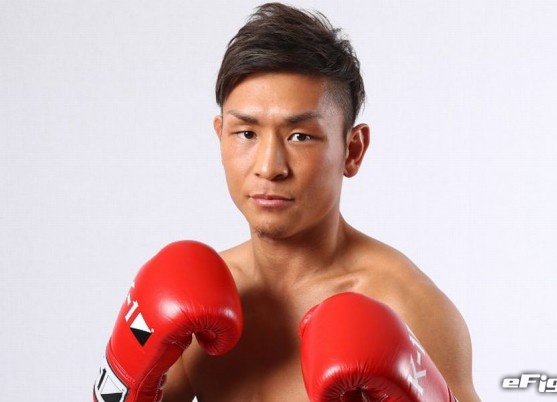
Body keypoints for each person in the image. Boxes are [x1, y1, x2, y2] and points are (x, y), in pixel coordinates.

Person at [94, 3, 480, 402]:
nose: (269, 167)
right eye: (246, 133)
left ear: (353, 150)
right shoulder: (185, 301)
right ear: (220, 136)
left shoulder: (406, 309)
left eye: (300, 136)